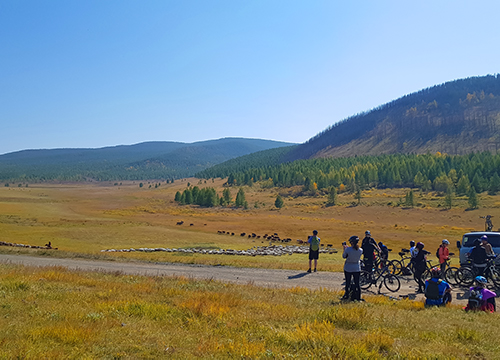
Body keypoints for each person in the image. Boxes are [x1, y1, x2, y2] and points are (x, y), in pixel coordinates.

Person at [342, 236, 363, 301]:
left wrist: (344, 249)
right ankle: (358, 297)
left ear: (351, 242)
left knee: (348, 283)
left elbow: (344, 256)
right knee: (357, 283)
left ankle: (347, 295)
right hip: (357, 267)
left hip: (348, 267)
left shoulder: (348, 250)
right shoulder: (360, 250)